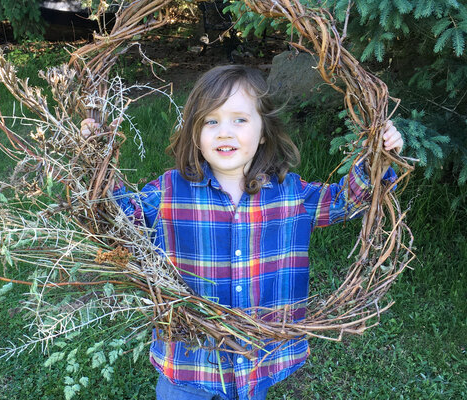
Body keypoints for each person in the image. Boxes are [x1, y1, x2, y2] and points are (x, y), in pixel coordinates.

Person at [81, 65, 403, 400]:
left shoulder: (290, 194)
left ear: (263, 130)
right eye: (211, 121)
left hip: (255, 359)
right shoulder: (168, 193)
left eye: (240, 119)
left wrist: (378, 156)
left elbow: (344, 200)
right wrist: (94, 162)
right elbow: (118, 218)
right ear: (195, 132)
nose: (225, 132)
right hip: (190, 361)